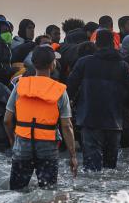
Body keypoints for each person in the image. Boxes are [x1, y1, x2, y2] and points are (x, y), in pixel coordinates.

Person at [66, 30, 129, 171]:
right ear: (113, 44)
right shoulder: (122, 66)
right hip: (114, 123)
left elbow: (69, 88)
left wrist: (67, 108)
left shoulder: (84, 63)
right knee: (110, 168)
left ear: (96, 44)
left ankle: (93, 193)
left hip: (89, 120)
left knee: (92, 168)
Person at [4, 46, 78, 189]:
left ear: (32, 63)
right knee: (48, 191)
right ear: (53, 65)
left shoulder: (20, 86)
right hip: (47, 146)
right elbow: (67, 126)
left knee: (16, 191)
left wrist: (12, 140)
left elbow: (7, 120)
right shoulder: (60, 90)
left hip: (22, 144)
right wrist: (73, 155)